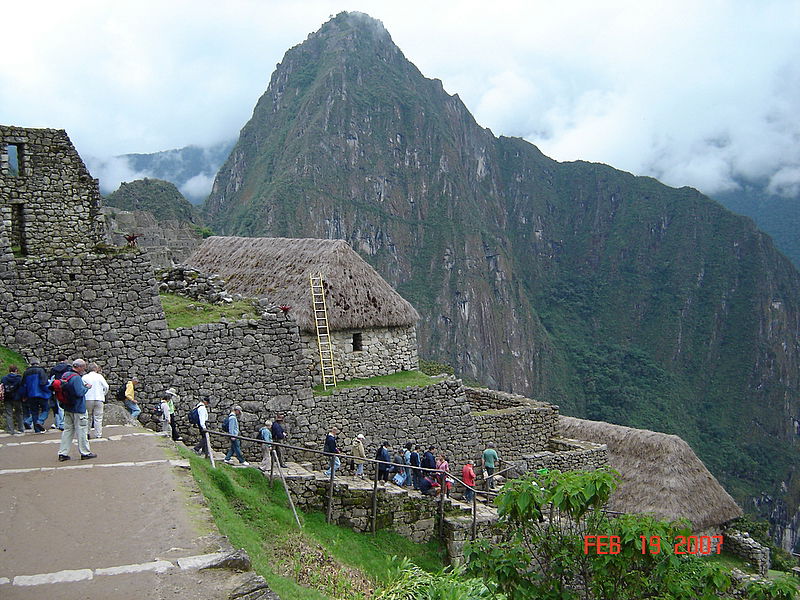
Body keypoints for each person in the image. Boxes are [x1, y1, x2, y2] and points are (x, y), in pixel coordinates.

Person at [57, 359, 96, 461]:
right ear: (79, 367)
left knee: (67, 430)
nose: (84, 369)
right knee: (82, 430)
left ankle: (63, 453)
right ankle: (85, 452)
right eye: (83, 367)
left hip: (67, 407)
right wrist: (87, 387)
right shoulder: (76, 378)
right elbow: (79, 393)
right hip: (78, 408)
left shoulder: (65, 375)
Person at [22, 358, 50, 433]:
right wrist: (48, 391)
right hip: (42, 394)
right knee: (46, 409)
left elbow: (24, 385)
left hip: (31, 395)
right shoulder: (41, 371)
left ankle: (36, 429)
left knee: (34, 412)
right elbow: (43, 383)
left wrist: (24, 395)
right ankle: (40, 421)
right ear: (38, 363)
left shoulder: (26, 372)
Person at [82, 363, 109, 439]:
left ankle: (87, 433)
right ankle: (98, 434)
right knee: (98, 417)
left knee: (87, 417)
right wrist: (103, 394)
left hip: (88, 398)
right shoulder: (99, 376)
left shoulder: (85, 377)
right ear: (96, 369)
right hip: (99, 398)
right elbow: (106, 386)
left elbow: (82, 387)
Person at [48, 355, 70, 430]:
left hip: (57, 389)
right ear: (66, 360)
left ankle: (60, 423)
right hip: (67, 389)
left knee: (59, 407)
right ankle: (66, 423)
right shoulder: (68, 368)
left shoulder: (53, 369)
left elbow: (51, 380)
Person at [2, 365, 24, 434]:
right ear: (16, 370)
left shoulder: (4, 378)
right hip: (17, 398)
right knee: (19, 413)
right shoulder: (19, 378)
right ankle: (21, 428)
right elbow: (22, 388)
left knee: (9, 414)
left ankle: (10, 430)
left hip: (7, 397)